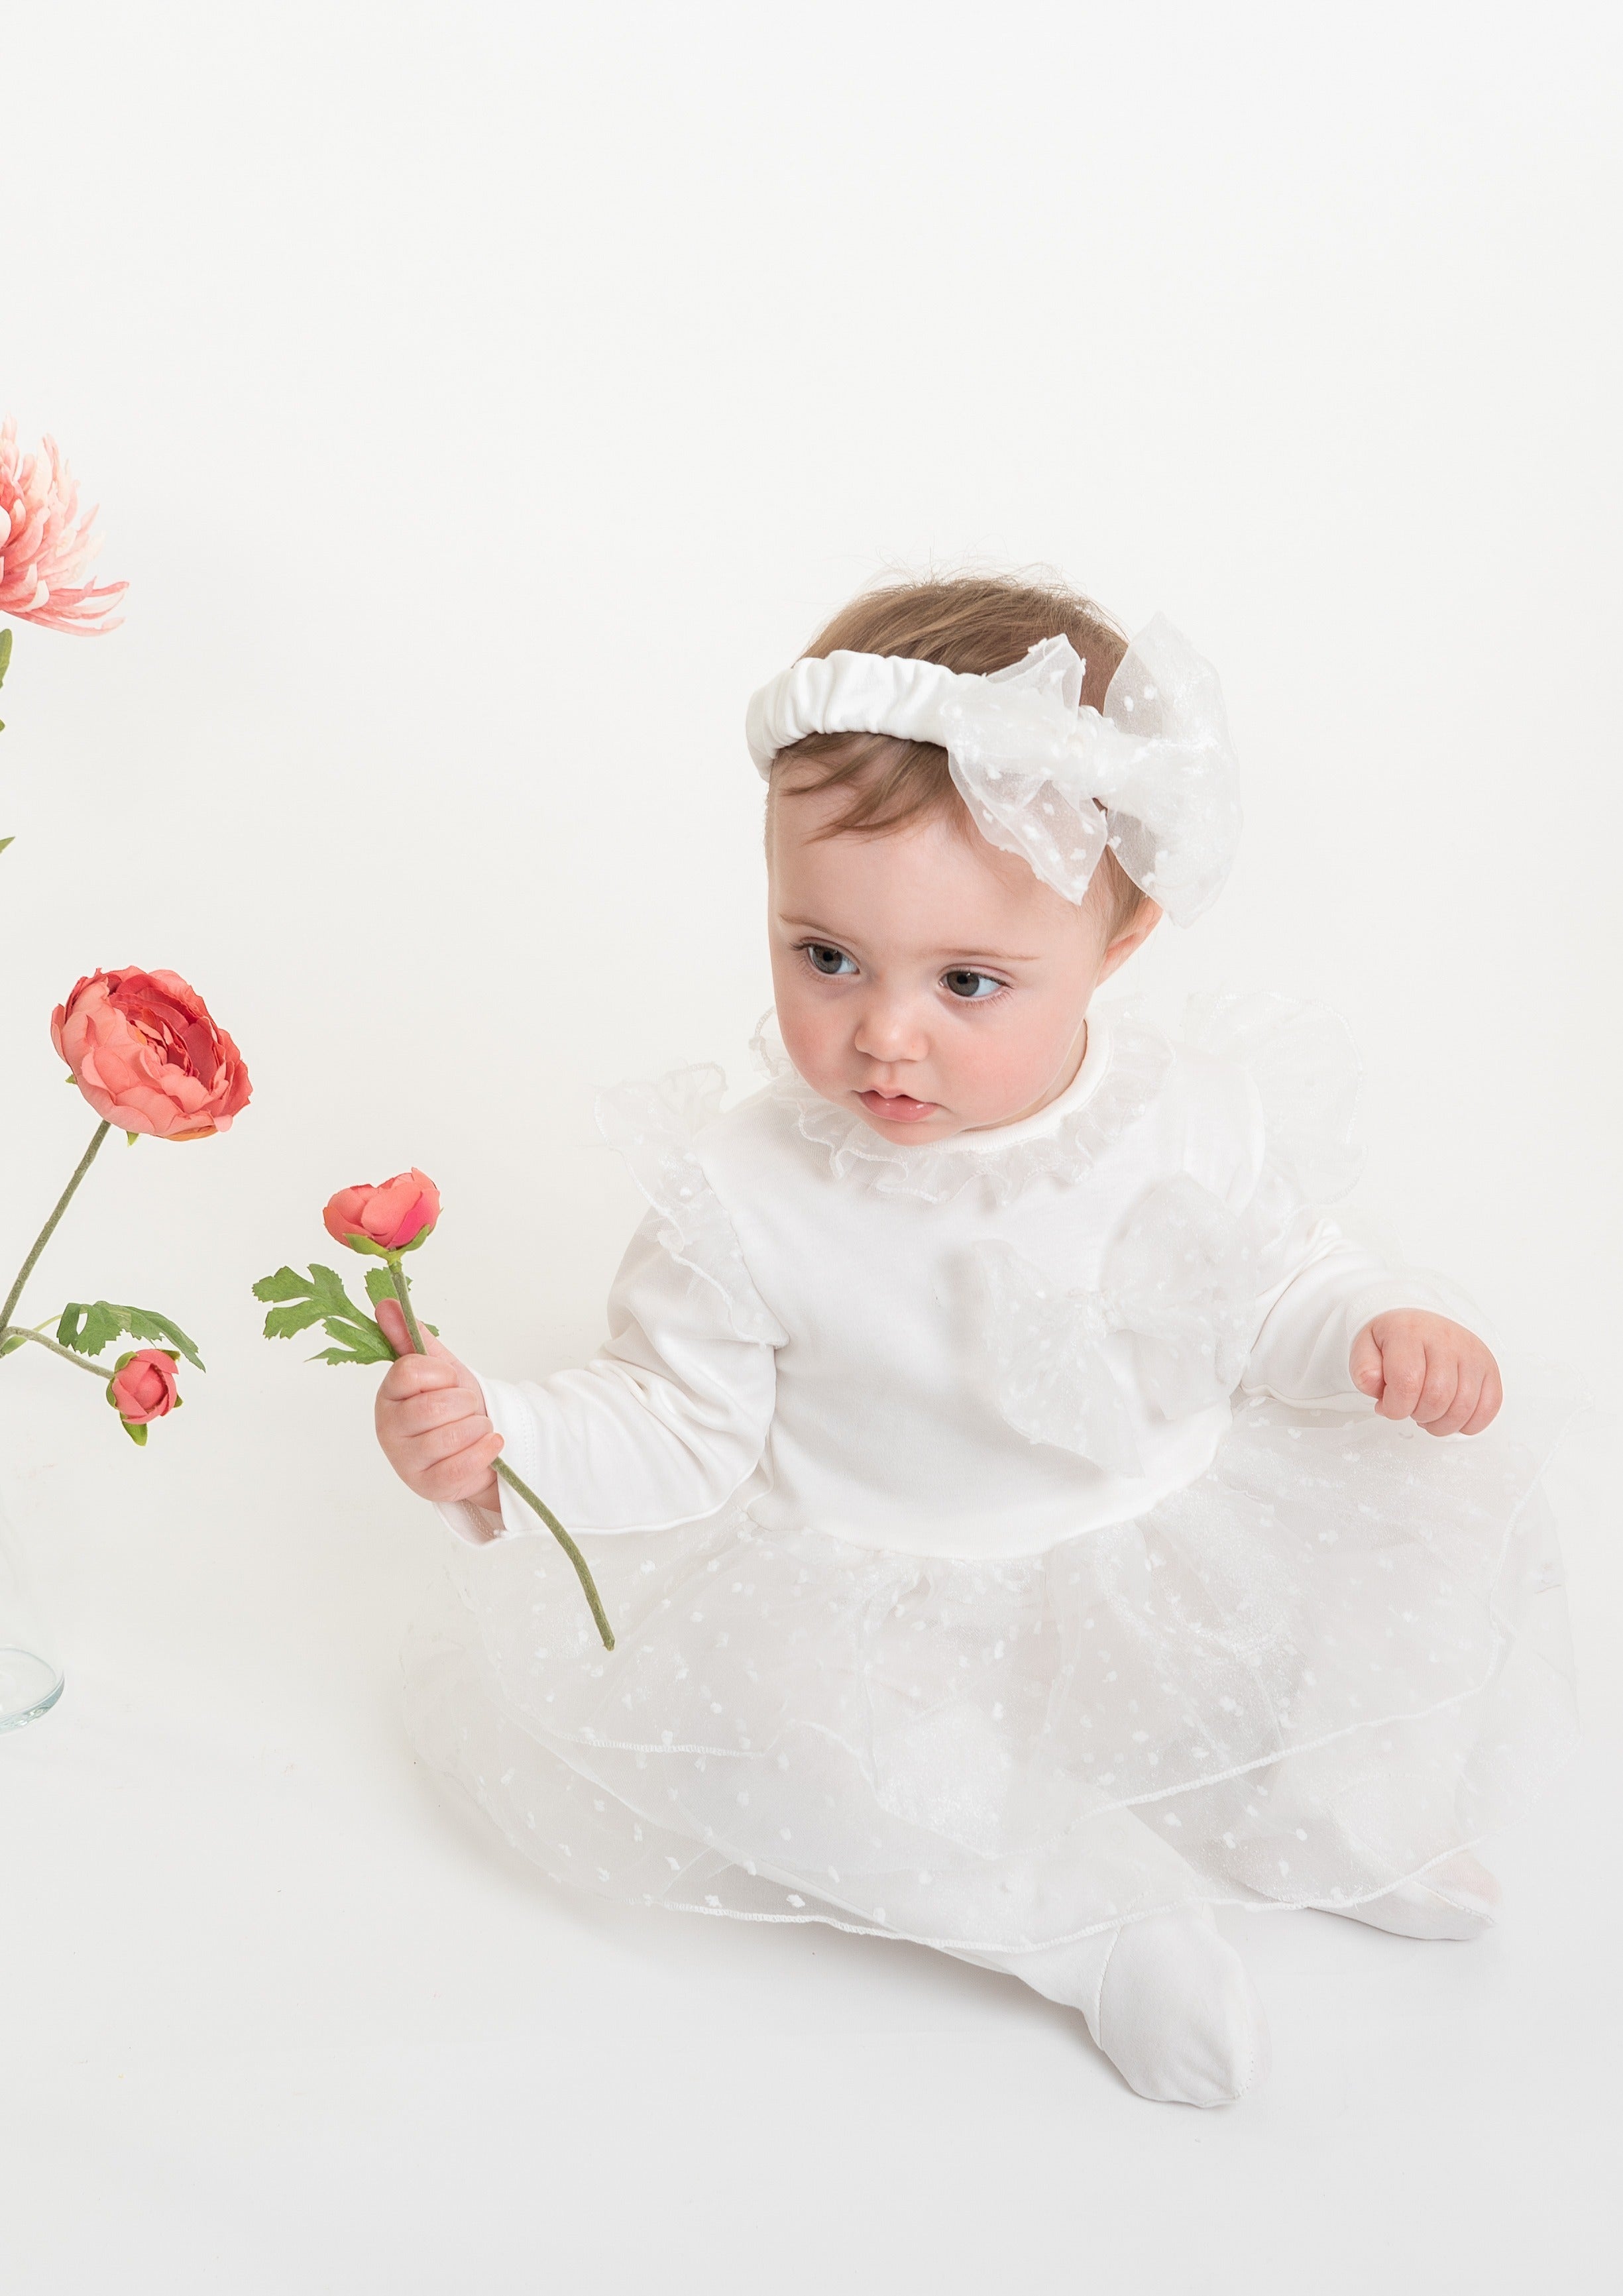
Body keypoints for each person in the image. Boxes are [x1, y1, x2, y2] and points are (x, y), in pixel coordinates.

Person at [378, 574, 1575, 2107]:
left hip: (1170, 1537)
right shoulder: (748, 1192)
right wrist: (506, 1438)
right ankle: (1087, 1921)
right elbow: (677, 1421)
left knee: (1418, 1499)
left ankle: (1342, 1802)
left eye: (966, 982)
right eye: (825, 956)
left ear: (1121, 933)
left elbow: (1271, 1284)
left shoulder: (1187, 1111)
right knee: (797, 1743)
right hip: (884, 1581)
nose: (884, 1032)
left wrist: (1367, 1330)